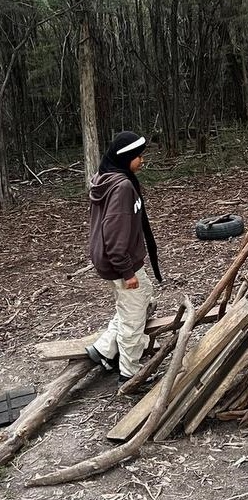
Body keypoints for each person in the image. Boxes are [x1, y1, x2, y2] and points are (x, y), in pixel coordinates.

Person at [85, 131, 162, 388]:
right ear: (125, 157)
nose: (142, 160)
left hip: (120, 261)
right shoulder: (121, 187)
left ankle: (104, 348)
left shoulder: (107, 178)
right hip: (122, 262)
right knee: (133, 316)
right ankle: (130, 374)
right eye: (138, 156)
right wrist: (127, 272)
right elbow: (115, 234)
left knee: (141, 298)